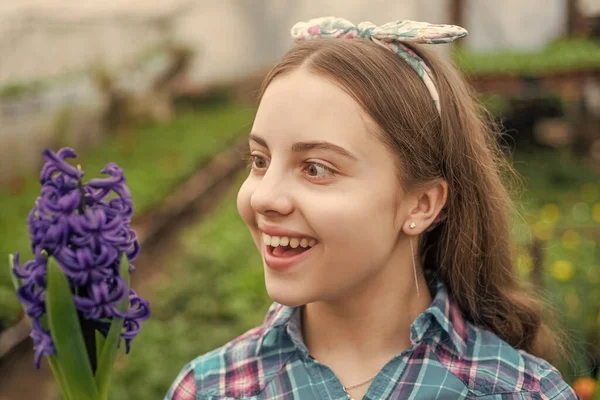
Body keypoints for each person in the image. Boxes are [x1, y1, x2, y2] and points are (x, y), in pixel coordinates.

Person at [165, 17, 578, 399]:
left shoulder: (520, 390)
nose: (264, 198)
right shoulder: (210, 388)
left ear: (422, 203)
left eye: (316, 168)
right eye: (260, 160)